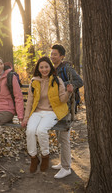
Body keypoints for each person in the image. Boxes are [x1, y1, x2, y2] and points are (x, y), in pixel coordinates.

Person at [21, 56, 73, 173]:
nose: (44, 69)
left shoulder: (56, 80)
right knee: (30, 130)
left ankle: (45, 156)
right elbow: (29, 101)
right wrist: (26, 118)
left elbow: (62, 100)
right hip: (37, 112)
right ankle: (34, 158)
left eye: (46, 67)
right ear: (38, 69)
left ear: (50, 67)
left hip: (51, 112)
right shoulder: (34, 82)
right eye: (41, 67)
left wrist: (68, 93)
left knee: (41, 131)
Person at [50, 44, 84, 179]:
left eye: (55, 54)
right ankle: (64, 161)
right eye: (51, 54)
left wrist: (65, 86)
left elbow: (79, 81)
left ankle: (66, 167)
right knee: (59, 136)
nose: (52, 56)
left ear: (62, 56)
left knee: (63, 137)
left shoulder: (67, 68)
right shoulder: (53, 69)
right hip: (58, 107)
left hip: (68, 107)